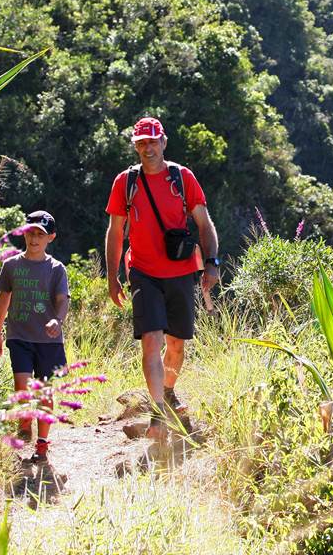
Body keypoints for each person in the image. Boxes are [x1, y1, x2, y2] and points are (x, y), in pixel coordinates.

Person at [105, 117, 219, 438]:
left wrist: (211, 262)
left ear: (163, 142)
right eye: (141, 143)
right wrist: (113, 276)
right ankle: (157, 414)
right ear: (136, 146)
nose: (148, 148)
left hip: (181, 272)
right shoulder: (126, 183)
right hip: (142, 272)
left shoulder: (182, 178)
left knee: (176, 345)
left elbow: (204, 223)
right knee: (151, 341)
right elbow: (115, 232)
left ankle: (167, 392)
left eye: (152, 141)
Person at [0, 210, 69, 463]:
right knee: (21, 386)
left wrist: (57, 320)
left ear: (51, 238)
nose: (34, 239)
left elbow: (62, 300)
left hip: (49, 341)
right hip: (19, 337)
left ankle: (43, 443)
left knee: (45, 392)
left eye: (40, 234)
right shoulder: (11, 265)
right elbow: (3, 300)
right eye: (30, 233)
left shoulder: (56, 269)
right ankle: (25, 421)